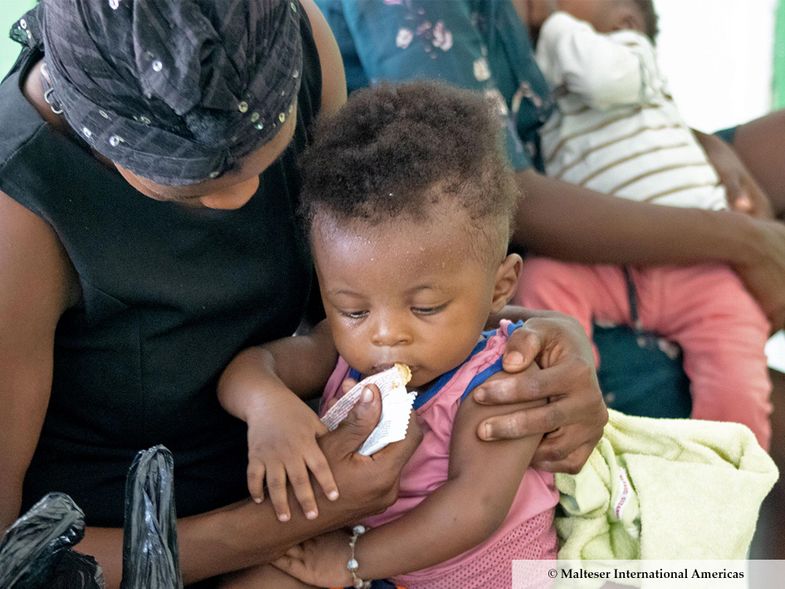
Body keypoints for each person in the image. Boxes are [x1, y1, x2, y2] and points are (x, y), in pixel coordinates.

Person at [0, 1, 606, 586]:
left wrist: (550, 340)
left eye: (263, 155)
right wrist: (292, 526)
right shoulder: (19, 213)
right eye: (189, 184)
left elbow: (386, 284)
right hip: (161, 546)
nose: (238, 201)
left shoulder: (298, 39)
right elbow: (12, 557)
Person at [316, 0, 785, 418]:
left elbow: (628, 104)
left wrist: (699, 143)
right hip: (494, 231)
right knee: (730, 362)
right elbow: (509, 196)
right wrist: (745, 241)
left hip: (579, 170)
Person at [218, 81, 558, 589]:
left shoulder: (499, 381)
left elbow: (474, 509)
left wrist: (352, 561)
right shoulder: (339, 349)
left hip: (481, 571)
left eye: (425, 307)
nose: (385, 336)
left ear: (499, 288)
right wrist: (266, 407)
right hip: (366, 556)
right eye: (352, 309)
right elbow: (252, 367)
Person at [512, 0, 771, 448]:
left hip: (693, 263)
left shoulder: (628, 56)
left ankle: (727, 466)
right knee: (542, 283)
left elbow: (601, 76)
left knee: (734, 354)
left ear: (625, 21)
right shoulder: (549, 93)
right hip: (606, 262)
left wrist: (550, 21)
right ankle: (573, 411)